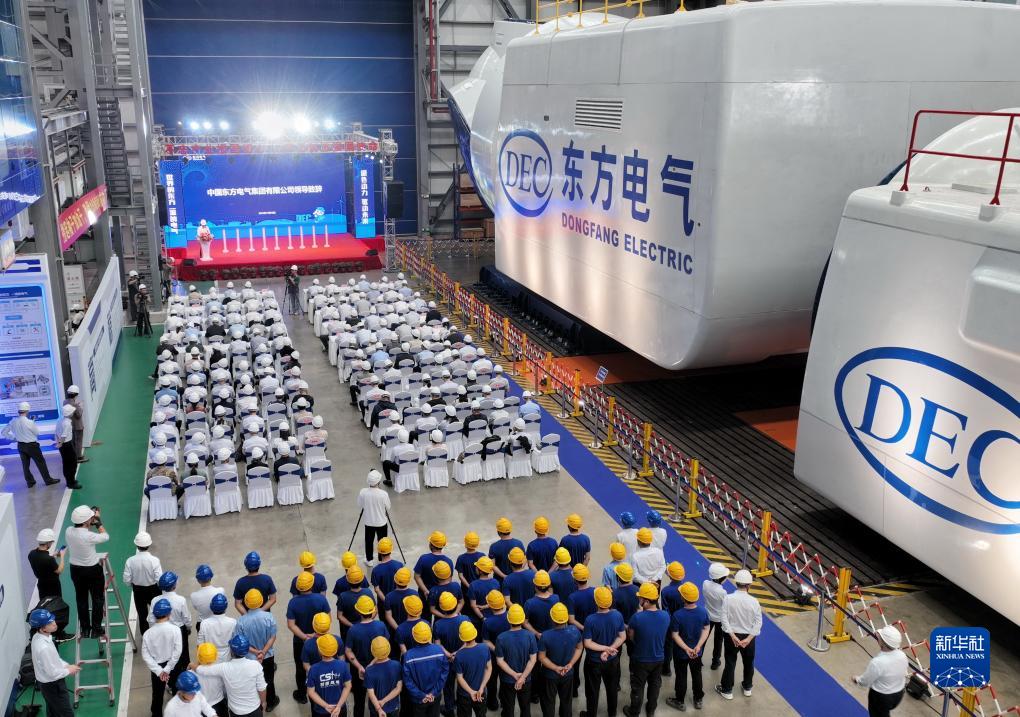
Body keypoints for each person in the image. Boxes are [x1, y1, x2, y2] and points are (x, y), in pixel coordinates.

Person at [623, 584, 670, 717]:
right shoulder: (665, 616)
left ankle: (634, 712)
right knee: (655, 685)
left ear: (647, 601)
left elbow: (631, 636)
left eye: (641, 598)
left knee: (638, 686)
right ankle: (651, 710)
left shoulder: (637, 618)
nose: (639, 600)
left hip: (640, 659)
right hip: (659, 658)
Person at [195, 635, 268, 717]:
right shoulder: (255, 665)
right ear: (247, 650)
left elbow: (202, 670)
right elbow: (262, 688)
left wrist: (191, 665)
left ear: (231, 651)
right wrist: (263, 702)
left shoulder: (223, 668)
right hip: (254, 710)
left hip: (236, 712)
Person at [716, 569, 761, 701]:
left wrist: (732, 635)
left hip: (732, 636)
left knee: (730, 662)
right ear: (749, 585)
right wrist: (748, 639)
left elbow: (723, 618)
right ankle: (747, 687)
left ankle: (727, 690)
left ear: (736, 583)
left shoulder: (728, 599)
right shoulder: (754, 601)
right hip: (748, 638)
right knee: (748, 662)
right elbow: (758, 622)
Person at [286, 572, 331, 704]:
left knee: (301, 667)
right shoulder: (321, 599)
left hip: (300, 641)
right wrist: (315, 634)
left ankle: (302, 694)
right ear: (312, 584)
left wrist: (305, 637)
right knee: (320, 665)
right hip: (321, 639)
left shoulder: (293, 603)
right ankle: (320, 690)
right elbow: (328, 619)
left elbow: (291, 625)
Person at [66, 505, 109, 638]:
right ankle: (96, 629)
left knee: (81, 599)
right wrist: (98, 522)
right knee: (97, 599)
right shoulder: (89, 536)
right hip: (92, 570)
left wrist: (90, 520)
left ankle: (85, 629)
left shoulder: (68, 531)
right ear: (86, 521)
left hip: (75, 570)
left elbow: (82, 528)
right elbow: (105, 536)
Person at [581, 586, 625, 717]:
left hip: (594, 662)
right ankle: (612, 713)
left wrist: (605, 649)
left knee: (592, 691)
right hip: (612, 661)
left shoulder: (590, 620)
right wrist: (609, 649)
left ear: (596, 602)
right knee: (612, 689)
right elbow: (622, 636)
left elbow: (587, 643)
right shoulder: (617, 615)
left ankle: (591, 714)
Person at [665, 583, 710, 712]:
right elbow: (706, 628)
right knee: (697, 674)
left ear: (682, 598)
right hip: (697, 652)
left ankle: (680, 701)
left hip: (681, 653)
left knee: (681, 675)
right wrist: (698, 646)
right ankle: (698, 699)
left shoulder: (677, 615)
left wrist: (686, 649)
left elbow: (675, 635)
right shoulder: (703, 611)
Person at [30, 608, 81, 717]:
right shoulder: (43, 648)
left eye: (52, 620)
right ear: (42, 628)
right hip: (53, 686)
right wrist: (69, 670)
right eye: (50, 623)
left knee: (53, 712)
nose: (54, 623)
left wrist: (66, 665)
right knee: (66, 713)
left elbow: (54, 659)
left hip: (48, 686)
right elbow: (52, 673)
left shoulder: (39, 637)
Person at [234, 590, 280, 711]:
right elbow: (272, 637)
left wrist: (256, 652)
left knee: (253, 681)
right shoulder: (269, 617)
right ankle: (270, 702)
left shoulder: (241, 621)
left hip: (250, 658)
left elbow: (240, 642)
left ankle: (257, 703)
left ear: (246, 603)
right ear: (261, 601)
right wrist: (263, 652)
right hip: (267, 655)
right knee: (269, 679)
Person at [346, 596, 390, 717]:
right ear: (373, 611)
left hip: (359, 670)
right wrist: (372, 663)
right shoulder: (381, 626)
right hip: (378, 668)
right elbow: (385, 647)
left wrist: (360, 667)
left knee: (359, 700)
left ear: (358, 611)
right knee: (377, 699)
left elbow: (348, 651)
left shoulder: (353, 630)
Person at [852, 625, 908, 717]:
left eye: (880, 637)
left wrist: (857, 679)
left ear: (883, 643)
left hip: (882, 697)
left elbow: (865, 681)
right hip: (899, 694)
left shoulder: (877, 662)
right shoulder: (902, 655)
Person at [28, 529, 73, 640]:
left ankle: (46, 631)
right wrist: (62, 556)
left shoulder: (31, 554)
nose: (52, 544)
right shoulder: (48, 559)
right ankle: (60, 634)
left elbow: (43, 562)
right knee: (57, 608)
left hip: (42, 585)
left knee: (45, 608)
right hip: (53, 586)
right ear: (48, 543)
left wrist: (53, 556)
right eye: (51, 542)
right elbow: (59, 570)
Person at [143, 598, 183, 717]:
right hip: (173, 665)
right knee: (177, 690)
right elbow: (177, 651)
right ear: (169, 614)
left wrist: (159, 671)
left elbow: (146, 655)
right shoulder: (175, 630)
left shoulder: (148, 634)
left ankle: (156, 714)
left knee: (157, 694)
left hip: (157, 667)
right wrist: (168, 668)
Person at [495, 605, 537, 717]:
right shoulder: (530, 636)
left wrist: (514, 675)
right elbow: (533, 659)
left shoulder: (501, 638)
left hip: (507, 680)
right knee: (525, 708)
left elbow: (500, 661)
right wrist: (522, 677)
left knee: (508, 708)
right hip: (525, 679)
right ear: (522, 619)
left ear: (508, 619)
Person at [2, 402, 58, 486]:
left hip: (21, 445)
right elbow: (37, 433)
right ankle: (48, 480)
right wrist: (33, 423)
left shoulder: (13, 421)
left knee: (25, 465)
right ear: (27, 411)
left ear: (19, 411)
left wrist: (14, 438)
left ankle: (30, 482)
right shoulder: (30, 422)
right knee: (40, 463)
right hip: (32, 446)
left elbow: (4, 432)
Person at [403, 622, 449, 717]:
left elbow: (408, 681)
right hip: (435, 696)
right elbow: (444, 673)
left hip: (418, 699)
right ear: (430, 635)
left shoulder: (408, 656)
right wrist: (433, 693)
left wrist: (422, 695)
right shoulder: (439, 651)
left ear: (414, 637)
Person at [123, 531, 163, 636]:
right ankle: (159, 634)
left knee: (142, 615)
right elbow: (159, 578)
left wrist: (133, 585)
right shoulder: (154, 560)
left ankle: (146, 637)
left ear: (136, 545)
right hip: (154, 590)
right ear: (149, 545)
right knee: (159, 613)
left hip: (138, 591)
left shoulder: (130, 561)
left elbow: (126, 579)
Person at [306, 635, 352, 717]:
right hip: (340, 709)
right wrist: (338, 706)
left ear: (319, 651)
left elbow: (311, 692)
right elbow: (348, 686)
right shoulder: (343, 665)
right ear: (335, 650)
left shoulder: (313, 669)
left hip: (321, 710)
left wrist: (326, 706)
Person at [454, 622, 491, 717]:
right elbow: (489, 668)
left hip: (464, 694)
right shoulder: (484, 648)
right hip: (480, 692)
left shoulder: (459, 655)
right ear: (475, 634)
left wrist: (471, 692)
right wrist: (482, 687)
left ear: (461, 638)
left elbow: (460, 677)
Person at [358, 470, 392, 565]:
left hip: (369, 522)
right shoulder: (383, 494)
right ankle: (382, 558)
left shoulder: (363, 492)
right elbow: (388, 507)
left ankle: (369, 560)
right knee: (382, 541)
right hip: (381, 522)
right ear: (378, 482)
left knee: (369, 541)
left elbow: (360, 504)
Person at [659, 562, 686, 678]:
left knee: (668, 646)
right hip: (683, 623)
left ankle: (666, 669)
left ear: (669, 575)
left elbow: (665, 610)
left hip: (670, 624)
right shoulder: (686, 589)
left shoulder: (665, 591)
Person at [701, 564, 728, 671]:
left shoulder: (705, 583)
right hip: (719, 619)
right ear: (722, 578)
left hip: (707, 616)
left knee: (703, 638)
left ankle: (698, 658)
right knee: (718, 641)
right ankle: (715, 662)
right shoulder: (723, 592)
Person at [198, 594, 236, 661]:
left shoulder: (204, 623)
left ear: (211, 606)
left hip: (209, 658)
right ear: (226, 607)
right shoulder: (233, 622)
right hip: (227, 657)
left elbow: (200, 645)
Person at [194, 643, 228, 717]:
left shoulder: (191, 674)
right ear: (215, 656)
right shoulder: (220, 670)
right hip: (220, 705)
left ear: (198, 656)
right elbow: (225, 688)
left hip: (202, 708)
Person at [54, 404, 83, 487]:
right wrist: (60, 443)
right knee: (72, 463)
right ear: (70, 413)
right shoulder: (67, 423)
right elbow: (64, 435)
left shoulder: (59, 420)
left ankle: (70, 480)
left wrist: (58, 443)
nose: (73, 412)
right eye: (72, 411)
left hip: (63, 445)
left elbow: (56, 432)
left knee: (66, 463)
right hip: (67, 445)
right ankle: (71, 483)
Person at [64, 385, 95, 462]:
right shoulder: (75, 405)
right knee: (78, 441)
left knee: (74, 441)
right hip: (78, 426)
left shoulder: (65, 402)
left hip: (71, 425)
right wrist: (80, 407)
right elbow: (78, 415)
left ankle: (75, 455)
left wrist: (77, 406)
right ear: (76, 394)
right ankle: (79, 457)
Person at [191, 565, 226, 630]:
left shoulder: (194, 596)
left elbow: (196, 608)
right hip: (218, 622)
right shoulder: (220, 591)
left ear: (198, 580)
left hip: (202, 625)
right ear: (211, 577)